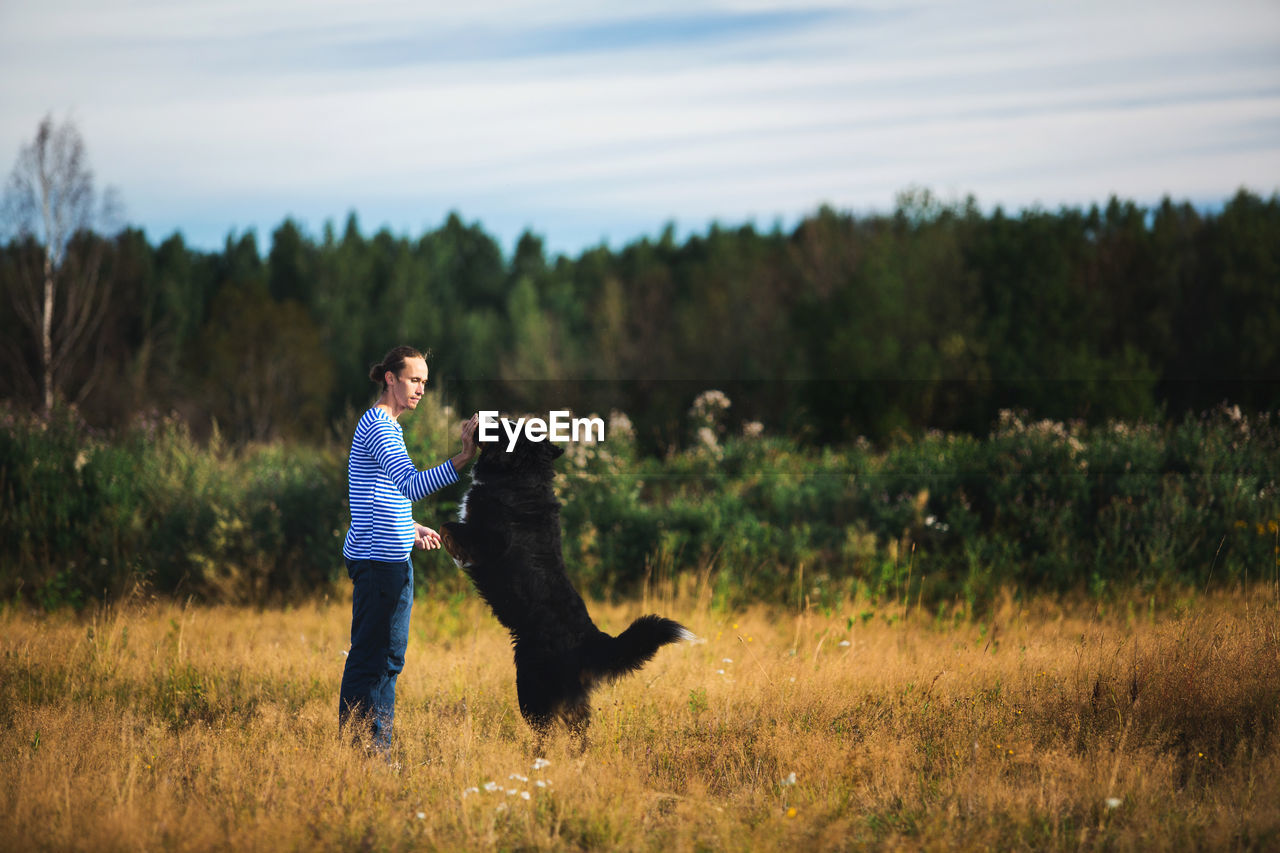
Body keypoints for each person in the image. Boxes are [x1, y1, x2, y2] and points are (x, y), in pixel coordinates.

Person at [339, 345, 479, 751]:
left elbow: (375, 492)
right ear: (390, 379)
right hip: (377, 564)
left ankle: (376, 748)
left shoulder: (387, 426)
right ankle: (364, 752)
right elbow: (411, 485)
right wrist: (463, 457)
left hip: (390, 558)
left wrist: (408, 526)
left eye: (425, 383)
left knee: (388, 660)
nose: (420, 389)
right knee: (372, 659)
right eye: (414, 380)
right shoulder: (380, 427)